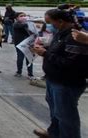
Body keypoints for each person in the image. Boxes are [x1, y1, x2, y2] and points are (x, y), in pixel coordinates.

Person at [32, 9, 88, 138]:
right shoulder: (60, 33)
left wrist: (45, 53)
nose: (48, 25)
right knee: (56, 112)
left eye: (49, 22)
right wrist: (45, 49)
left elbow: (69, 64)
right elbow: (57, 52)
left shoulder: (75, 37)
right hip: (53, 79)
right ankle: (54, 133)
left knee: (66, 116)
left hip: (66, 82)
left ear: (61, 22)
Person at [13, 12, 35, 79]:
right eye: (21, 16)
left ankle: (30, 74)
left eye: (24, 16)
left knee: (29, 58)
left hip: (28, 43)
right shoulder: (16, 24)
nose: (24, 17)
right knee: (20, 57)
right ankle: (19, 71)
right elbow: (23, 26)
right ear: (17, 18)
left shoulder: (27, 24)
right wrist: (28, 21)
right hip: (20, 44)